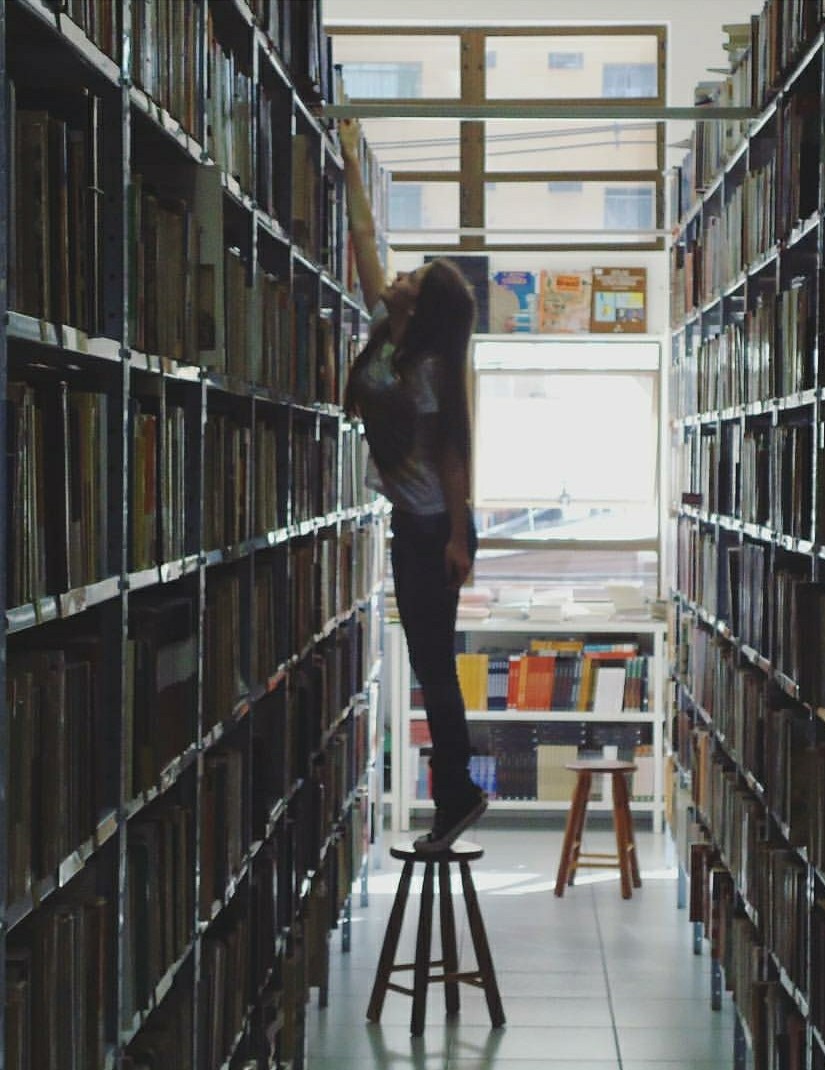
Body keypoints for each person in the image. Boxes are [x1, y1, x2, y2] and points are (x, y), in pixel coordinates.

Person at [338, 119, 487, 854]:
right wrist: (348, 157)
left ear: (422, 306)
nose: (400, 274)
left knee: (433, 662)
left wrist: (459, 535)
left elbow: (452, 456)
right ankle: (457, 793)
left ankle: (456, 795)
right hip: (413, 525)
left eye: (415, 278)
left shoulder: (425, 368)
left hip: (436, 529)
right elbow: (365, 244)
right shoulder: (388, 330)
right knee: (429, 657)